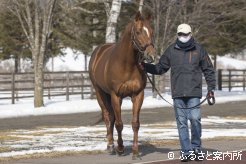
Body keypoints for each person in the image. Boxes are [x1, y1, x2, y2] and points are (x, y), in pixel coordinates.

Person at [141, 23, 216, 162]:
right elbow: (160, 68)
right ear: (177, 35)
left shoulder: (199, 50)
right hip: (178, 93)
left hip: (194, 92)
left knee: (194, 120)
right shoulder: (171, 51)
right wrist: (145, 66)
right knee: (182, 123)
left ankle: (196, 148)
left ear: (191, 34)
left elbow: (209, 70)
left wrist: (211, 89)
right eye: (181, 34)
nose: (183, 37)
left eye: (185, 34)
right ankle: (186, 151)